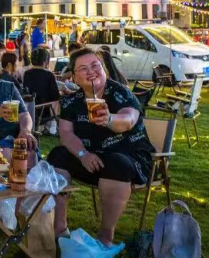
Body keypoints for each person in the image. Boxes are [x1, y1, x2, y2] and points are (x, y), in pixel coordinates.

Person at [47, 48, 155, 246]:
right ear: (74, 77)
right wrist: (82, 154)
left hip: (129, 159)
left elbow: (129, 120)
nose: (91, 71)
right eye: (83, 68)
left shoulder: (120, 93)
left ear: (103, 68)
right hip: (91, 159)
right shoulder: (71, 101)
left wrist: (109, 119)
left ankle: (105, 237)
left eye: (95, 65)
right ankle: (59, 229)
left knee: (116, 163)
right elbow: (66, 133)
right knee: (57, 155)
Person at [23, 48, 61, 135]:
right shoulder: (49, 74)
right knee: (58, 100)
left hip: (30, 107)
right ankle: (52, 126)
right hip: (44, 109)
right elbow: (55, 95)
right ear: (46, 61)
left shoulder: (27, 73)